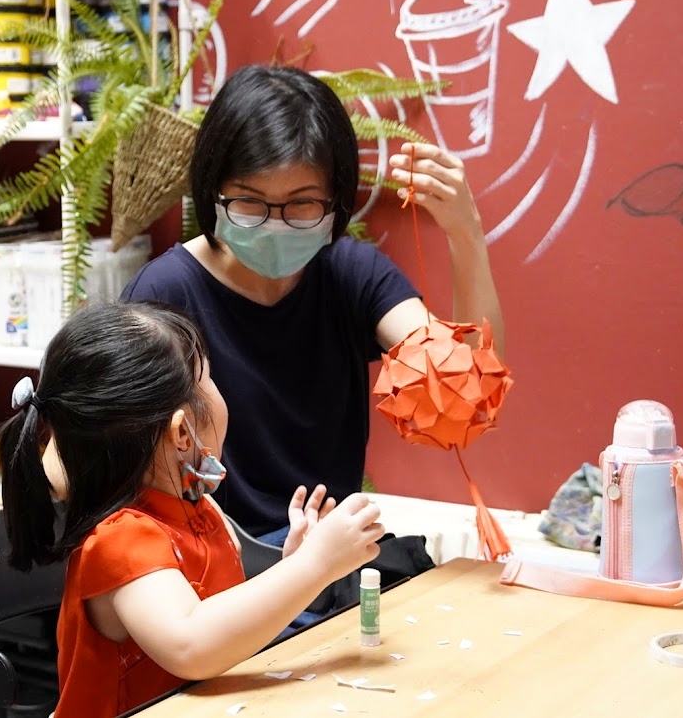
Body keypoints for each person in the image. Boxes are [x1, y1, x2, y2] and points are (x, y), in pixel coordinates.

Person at [120, 64, 505, 543]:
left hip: (333, 556)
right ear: (212, 189)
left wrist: (465, 235)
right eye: (249, 201)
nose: (274, 224)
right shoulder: (163, 295)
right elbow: (122, 475)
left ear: (336, 198)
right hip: (216, 566)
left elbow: (466, 395)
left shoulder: (351, 274)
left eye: (302, 203)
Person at [0, 301, 384, 718]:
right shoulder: (121, 541)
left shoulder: (198, 506)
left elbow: (223, 618)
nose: (222, 390)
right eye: (210, 378)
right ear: (183, 433)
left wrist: (289, 567)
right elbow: (191, 645)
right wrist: (313, 565)